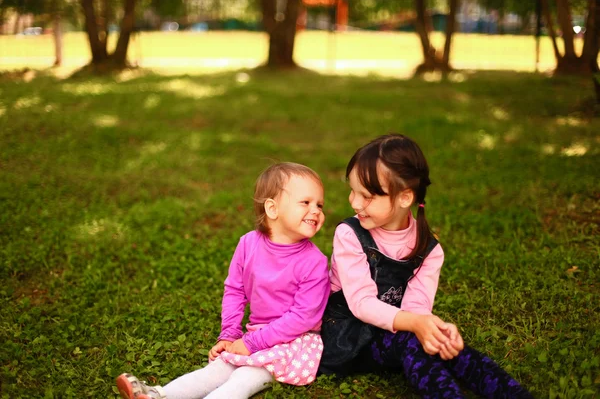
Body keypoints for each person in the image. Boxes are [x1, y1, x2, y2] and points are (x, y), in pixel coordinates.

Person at [319, 134, 533, 398]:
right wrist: (418, 325)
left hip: (394, 333)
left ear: (404, 197)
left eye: (367, 195)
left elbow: (416, 308)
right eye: (353, 191)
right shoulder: (349, 234)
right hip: (348, 338)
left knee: (442, 344)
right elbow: (361, 303)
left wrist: (433, 327)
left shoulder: (428, 249)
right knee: (413, 338)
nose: (354, 202)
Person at [117, 162, 330, 399]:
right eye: (306, 202)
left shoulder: (314, 262)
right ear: (272, 208)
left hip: (294, 341)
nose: (316, 211)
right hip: (257, 333)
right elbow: (235, 290)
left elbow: (303, 317)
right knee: (215, 370)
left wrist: (252, 343)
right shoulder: (248, 244)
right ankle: (160, 395)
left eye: (319, 205)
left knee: (245, 377)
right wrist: (229, 335)